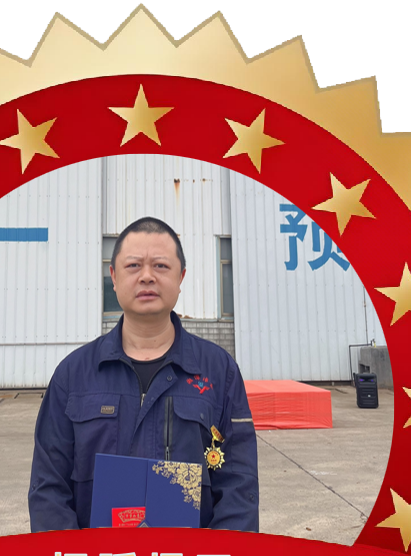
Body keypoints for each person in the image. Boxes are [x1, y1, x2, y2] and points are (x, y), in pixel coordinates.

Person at [28, 216, 259, 531]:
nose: (147, 276)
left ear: (181, 277)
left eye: (161, 266)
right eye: (133, 266)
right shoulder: (73, 374)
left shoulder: (219, 371)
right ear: (113, 276)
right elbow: (48, 487)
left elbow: (239, 486)